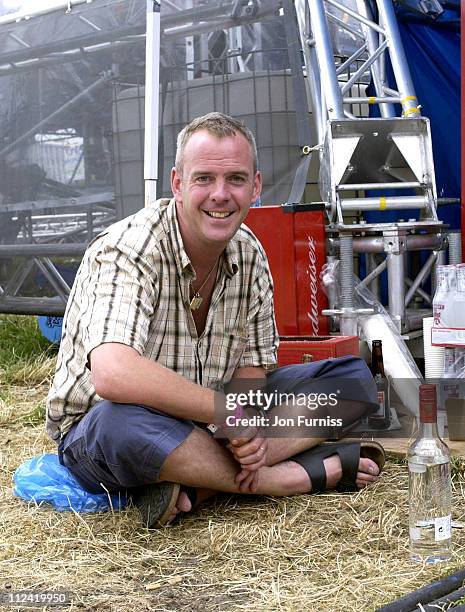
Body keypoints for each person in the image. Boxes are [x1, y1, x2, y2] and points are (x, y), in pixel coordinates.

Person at [46, 112, 385, 528]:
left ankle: (198, 483)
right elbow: (113, 375)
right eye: (204, 178)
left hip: (207, 419)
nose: (220, 195)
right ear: (177, 184)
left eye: (236, 180)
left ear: (256, 186)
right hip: (104, 426)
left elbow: (250, 370)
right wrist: (234, 418)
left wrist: (240, 422)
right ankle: (284, 478)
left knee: (352, 380)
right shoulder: (129, 248)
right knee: (120, 424)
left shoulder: (249, 253)